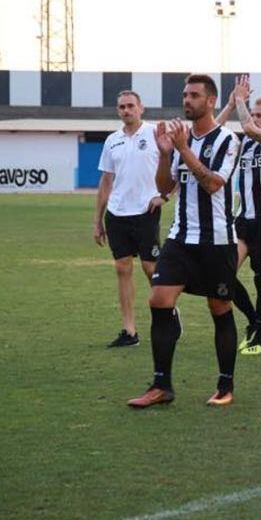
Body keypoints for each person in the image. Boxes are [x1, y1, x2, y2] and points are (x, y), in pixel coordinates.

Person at [127, 74, 241, 409]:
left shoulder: (227, 140)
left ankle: (225, 385)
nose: (187, 100)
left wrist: (182, 148)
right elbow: (164, 188)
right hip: (181, 237)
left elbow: (213, 184)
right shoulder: (179, 140)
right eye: (185, 94)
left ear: (211, 101)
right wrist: (165, 155)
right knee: (159, 300)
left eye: (194, 95)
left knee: (219, 307)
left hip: (217, 240)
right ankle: (161, 385)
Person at [215, 75, 261, 356]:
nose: (254, 118)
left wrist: (240, 102)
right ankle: (252, 321)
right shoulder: (242, 143)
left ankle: (259, 337)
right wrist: (231, 103)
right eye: (253, 113)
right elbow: (214, 129)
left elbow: (248, 126)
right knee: (224, 271)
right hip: (243, 219)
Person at [94, 90, 165, 347]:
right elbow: (106, 181)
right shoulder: (112, 141)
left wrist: (164, 196)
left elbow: (179, 169)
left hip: (146, 211)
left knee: (151, 269)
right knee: (122, 268)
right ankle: (130, 331)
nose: (126, 110)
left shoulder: (156, 133)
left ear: (141, 108)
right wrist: (97, 220)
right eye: (122, 107)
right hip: (117, 213)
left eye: (130, 106)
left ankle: (168, 315)